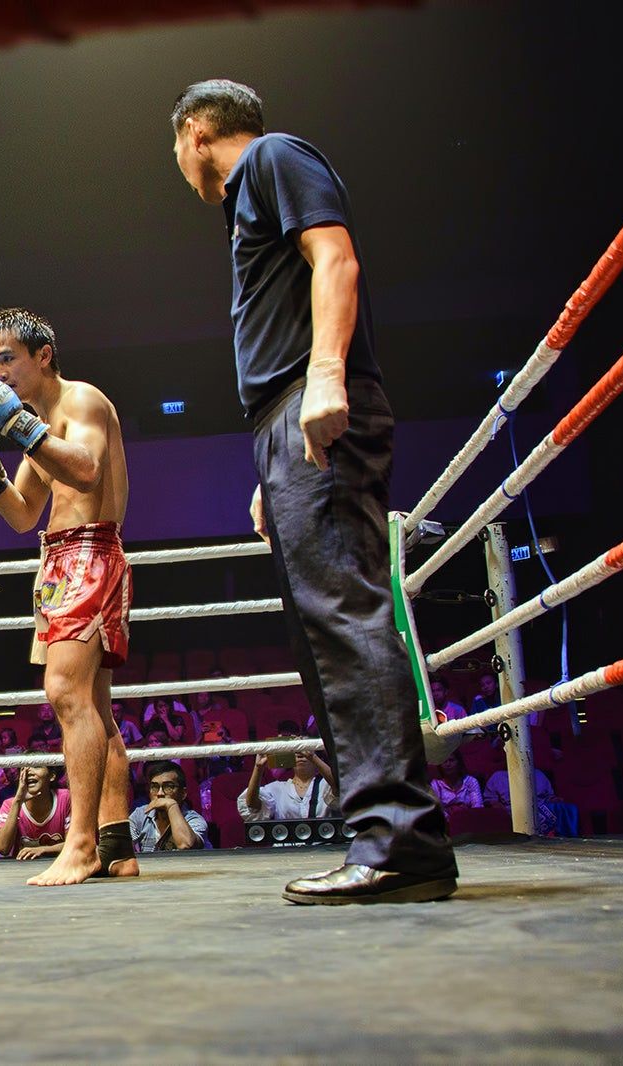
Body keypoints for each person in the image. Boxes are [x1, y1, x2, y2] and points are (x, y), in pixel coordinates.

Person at [171, 80, 455, 903]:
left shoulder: (272, 156)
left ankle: (401, 843)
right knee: (320, 632)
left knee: (343, 614)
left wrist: (325, 378)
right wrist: (272, 466)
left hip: (312, 400)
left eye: (175, 147)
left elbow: (335, 257)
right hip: (284, 424)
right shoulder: (249, 200)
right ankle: (382, 837)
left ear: (195, 134)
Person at [0, 307, 135, 886]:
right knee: (93, 708)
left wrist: (17, 424)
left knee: (64, 693)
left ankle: (81, 844)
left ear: (43, 355)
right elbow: (24, 515)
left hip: (90, 555)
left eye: (8, 358)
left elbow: (87, 471)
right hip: (55, 563)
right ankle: (115, 846)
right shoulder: (37, 430)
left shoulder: (82, 401)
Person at [0, 765, 72, 860]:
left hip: (61, 865)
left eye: (36, 767)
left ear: (52, 776)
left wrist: (43, 850)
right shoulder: (10, 804)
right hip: (24, 867)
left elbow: (76, 842)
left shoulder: (66, 798)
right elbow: (3, 848)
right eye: (23, 769)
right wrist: (17, 802)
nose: (29, 772)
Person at [239, 747, 339, 822]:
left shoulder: (325, 784)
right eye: (296, 752)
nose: (300, 755)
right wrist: (258, 767)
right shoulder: (276, 788)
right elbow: (252, 805)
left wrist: (313, 757)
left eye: (306, 750)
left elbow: (339, 788)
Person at [127, 762, 209, 852]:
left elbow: (185, 845)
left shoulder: (194, 819)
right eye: (154, 787)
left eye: (168, 787)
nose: (160, 793)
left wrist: (171, 805)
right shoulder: (140, 814)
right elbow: (121, 844)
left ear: (183, 793)